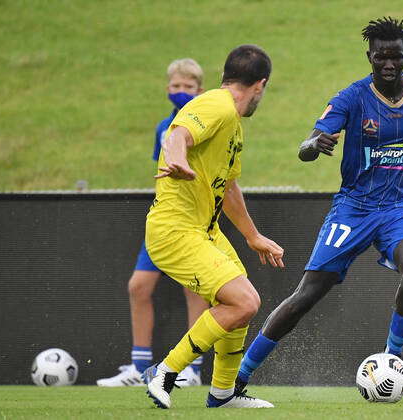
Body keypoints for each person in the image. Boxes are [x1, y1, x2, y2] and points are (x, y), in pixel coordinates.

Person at [235, 17, 403, 398]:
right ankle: (237, 379)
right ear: (369, 56)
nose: (389, 65)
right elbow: (309, 143)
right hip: (353, 209)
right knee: (306, 295)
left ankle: (394, 360)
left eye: (396, 57)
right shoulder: (351, 97)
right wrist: (312, 148)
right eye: (380, 58)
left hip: (401, 208)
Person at [142, 44, 284, 409]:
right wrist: (175, 159)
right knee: (244, 302)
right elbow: (177, 136)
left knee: (241, 303)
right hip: (175, 230)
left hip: (204, 230)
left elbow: (229, 187)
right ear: (259, 85)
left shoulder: (232, 124)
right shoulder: (216, 106)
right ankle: (165, 373)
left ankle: (223, 394)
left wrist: (252, 236)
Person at [97, 59, 208, 387]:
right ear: (166, 89)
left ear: (199, 91)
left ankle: (193, 369)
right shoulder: (163, 128)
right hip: (162, 219)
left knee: (194, 289)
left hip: (193, 220)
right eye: (175, 86)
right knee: (138, 286)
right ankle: (138, 366)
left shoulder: (203, 123)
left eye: (188, 87)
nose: (181, 92)